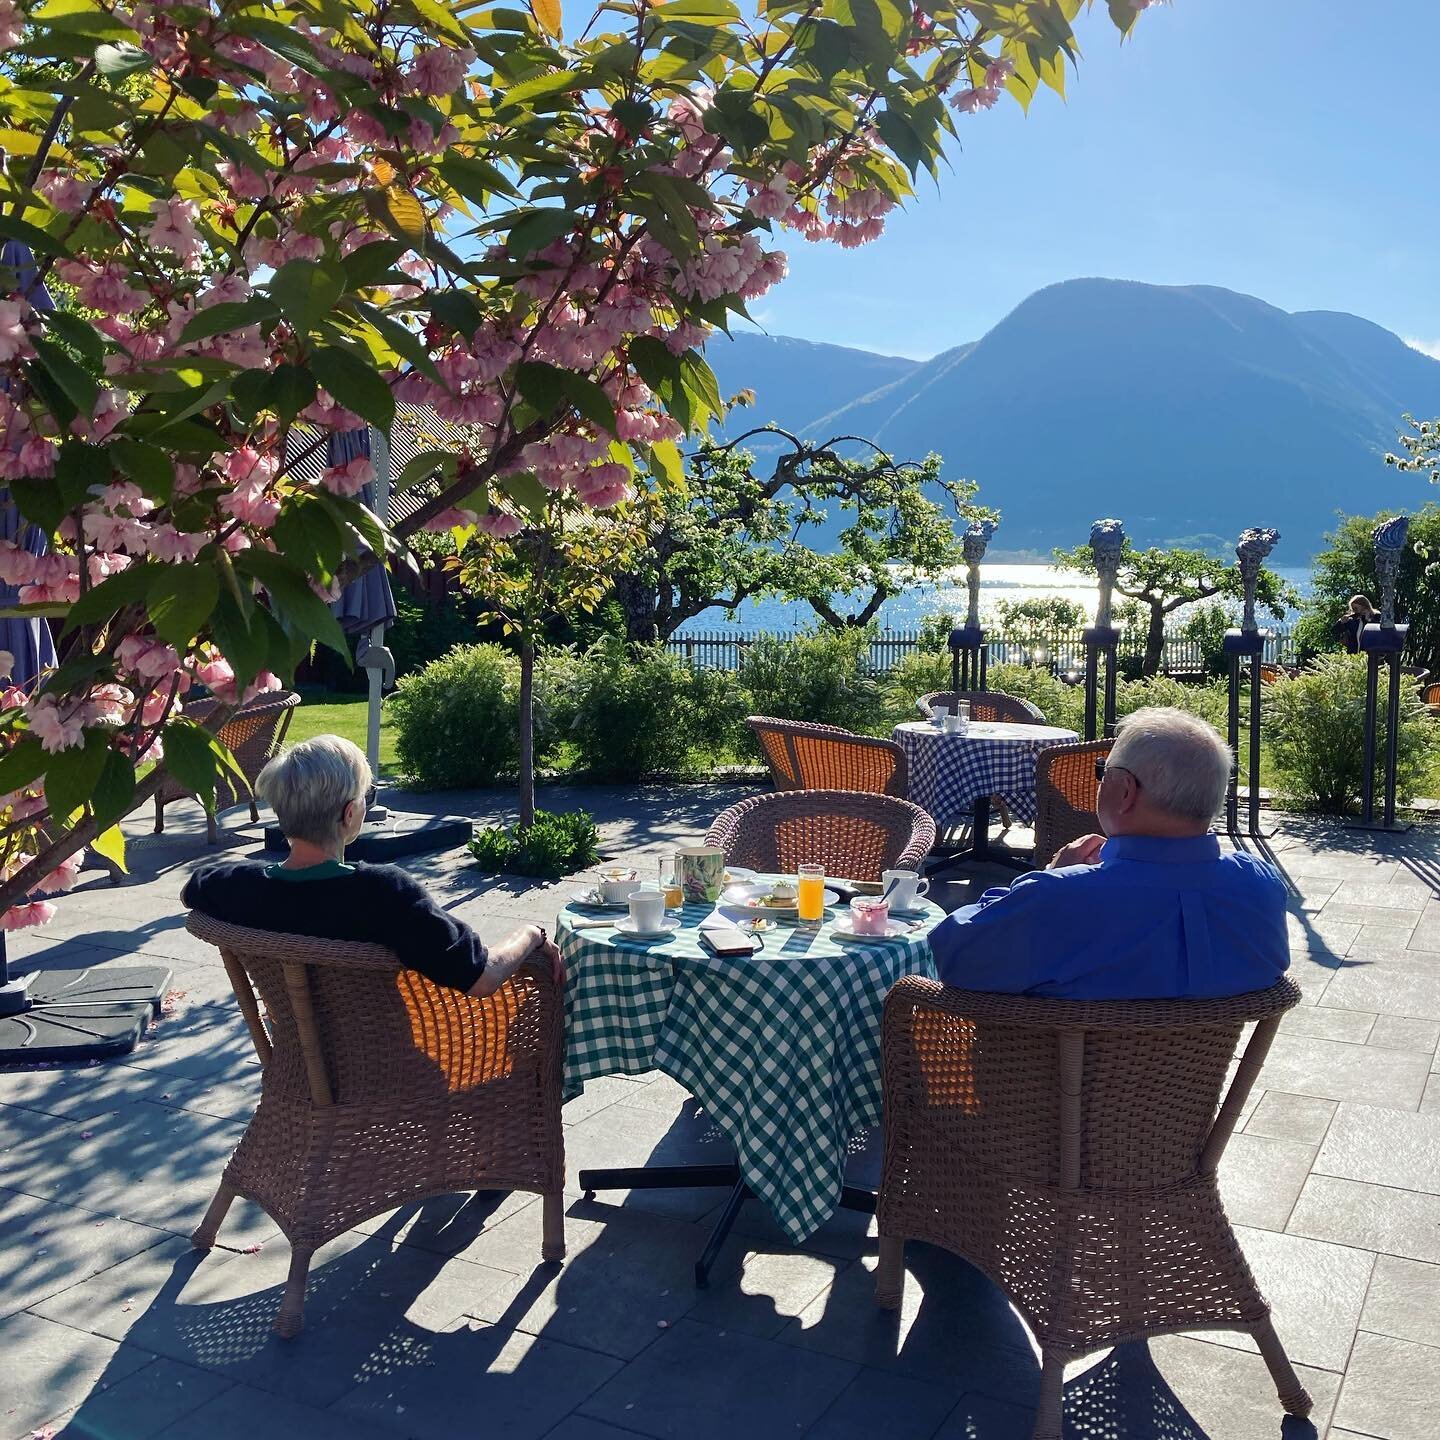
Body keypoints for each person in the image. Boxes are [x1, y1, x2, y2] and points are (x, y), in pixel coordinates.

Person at [928, 707, 1288, 999]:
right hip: (1198, 1085)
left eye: (1104, 772)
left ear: (1126, 791)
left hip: (1050, 1086)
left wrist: (1048, 879)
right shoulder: (1262, 889)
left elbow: (946, 954)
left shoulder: (1056, 900)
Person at [183, 734, 562, 996]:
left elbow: (194, 887)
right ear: (350, 814)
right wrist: (531, 934)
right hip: (390, 1074)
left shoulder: (238, 888)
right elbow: (481, 978)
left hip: (297, 1066)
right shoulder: (384, 893)